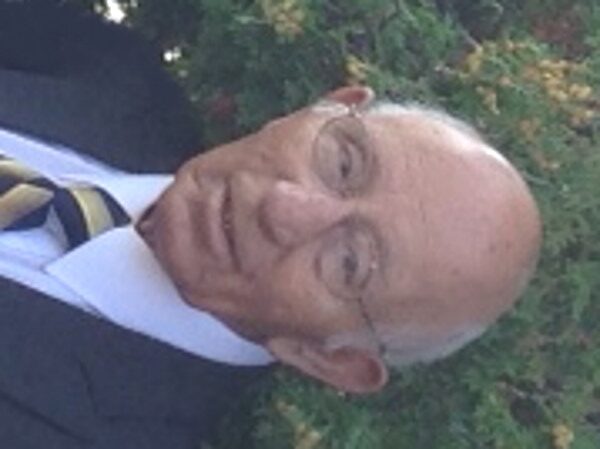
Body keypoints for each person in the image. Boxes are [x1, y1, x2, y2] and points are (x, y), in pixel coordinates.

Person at [0, 2, 542, 448]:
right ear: (325, 107)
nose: (284, 208)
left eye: (349, 263)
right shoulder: (119, 81)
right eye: (343, 163)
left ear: (330, 361)